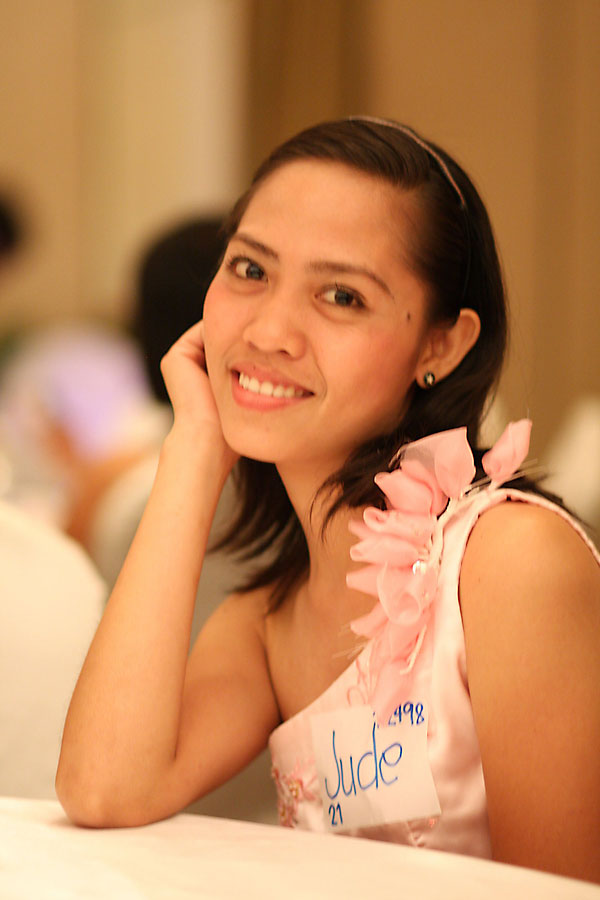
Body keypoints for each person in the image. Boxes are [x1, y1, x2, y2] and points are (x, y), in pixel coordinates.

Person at [55, 117, 600, 883]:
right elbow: (103, 788)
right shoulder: (266, 622)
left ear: (441, 345)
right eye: (250, 269)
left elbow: (559, 893)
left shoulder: (510, 563)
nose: (270, 330)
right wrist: (193, 451)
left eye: (341, 295)